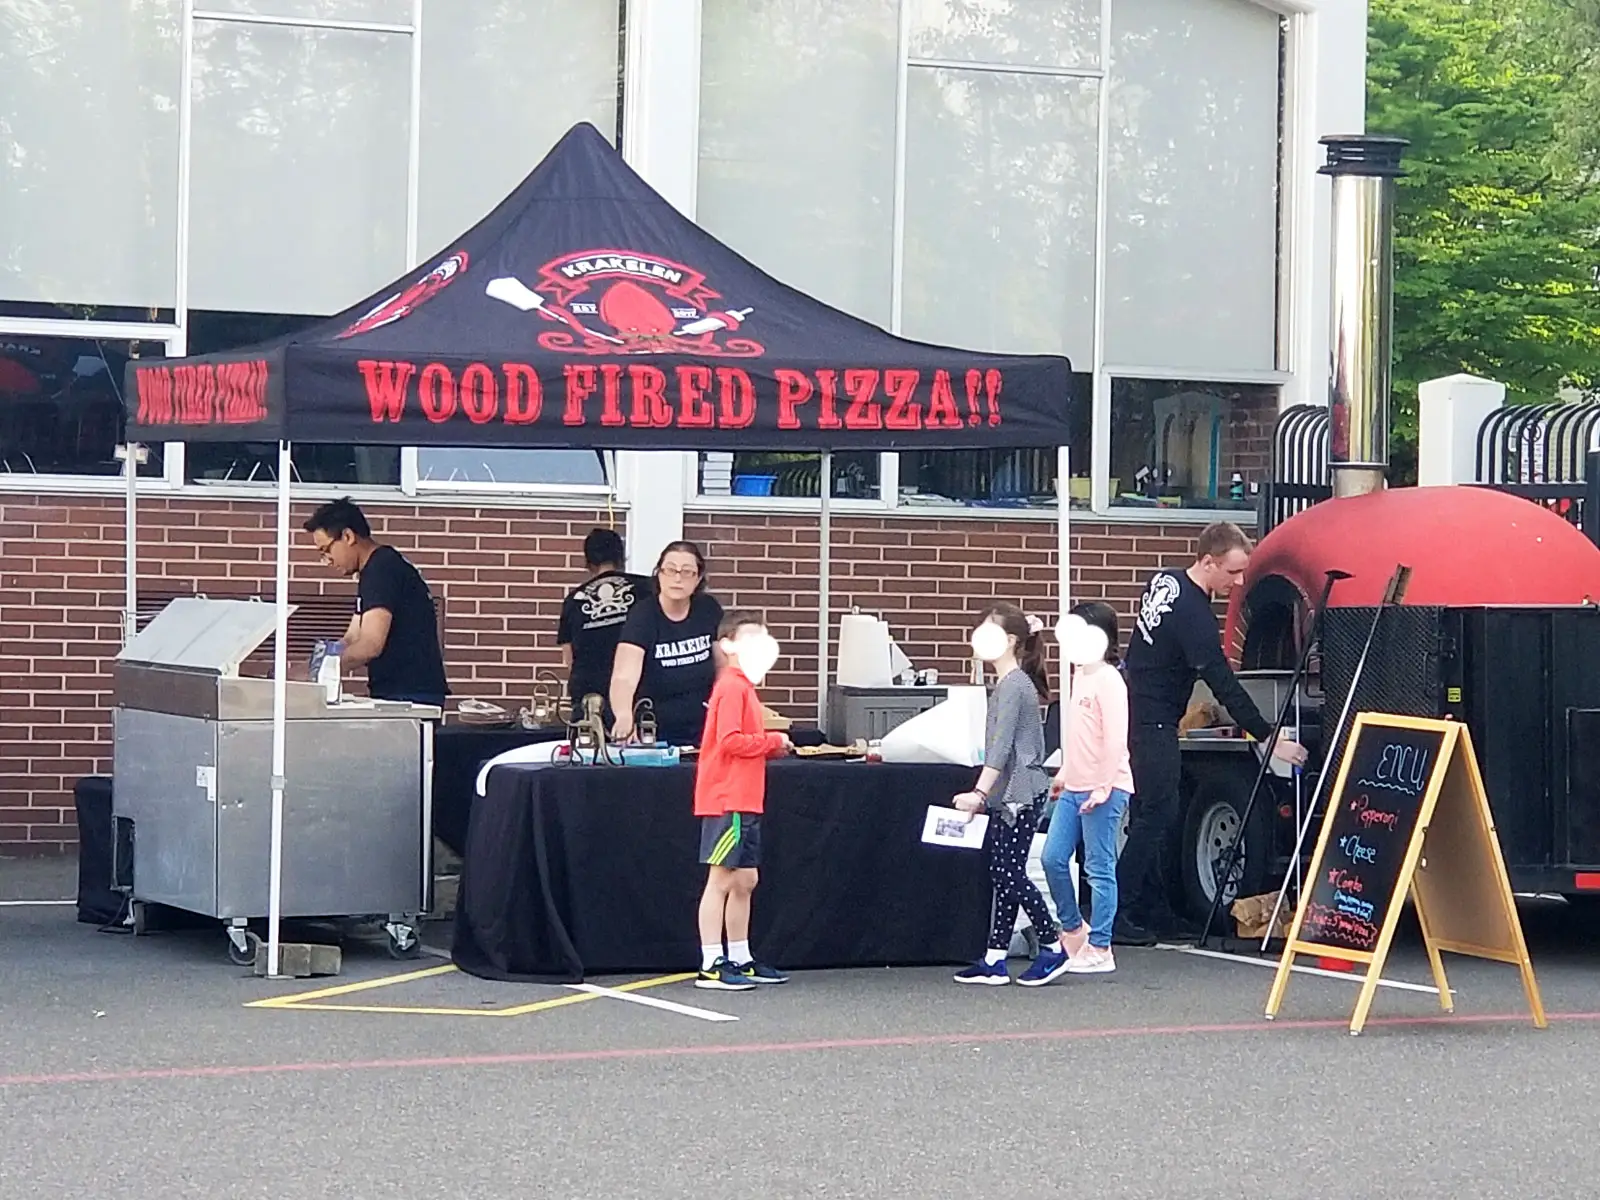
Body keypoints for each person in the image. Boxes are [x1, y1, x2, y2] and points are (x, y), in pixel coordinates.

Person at [1115, 521, 1307, 947]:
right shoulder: (1194, 614)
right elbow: (1221, 678)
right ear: (1207, 561)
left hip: (1137, 709)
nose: (1238, 582)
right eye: (1233, 572)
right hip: (1154, 718)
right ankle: (1121, 911)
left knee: (1151, 811)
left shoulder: (1163, 580)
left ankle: (1151, 907)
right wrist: (1267, 734)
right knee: (1158, 814)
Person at [951, 602, 1072, 987]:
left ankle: (1052, 945)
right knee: (1005, 872)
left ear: (1009, 641)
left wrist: (978, 793)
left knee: (1007, 872)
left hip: (1018, 792)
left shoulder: (1013, 686)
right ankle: (995, 956)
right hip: (1016, 791)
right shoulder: (1014, 684)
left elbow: (1001, 749)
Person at [692, 611, 793, 990]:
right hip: (728, 797)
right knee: (720, 878)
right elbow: (731, 740)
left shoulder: (743, 687)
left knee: (745, 879)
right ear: (728, 645)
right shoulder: (732, 688)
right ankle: (711, 962)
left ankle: (740, 955)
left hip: (744, 797)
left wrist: (771, 747)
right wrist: (773, 742)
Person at [1042, 602, 1135, 976]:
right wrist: (1066, 772)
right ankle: (1073, 928)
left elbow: (1115, 738)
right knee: (1052, 857)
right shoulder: (1080, 675)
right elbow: (1082, 735)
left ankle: (1101, 945)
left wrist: (1103, 785)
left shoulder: (1109, 679)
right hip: (1077, 784)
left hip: (1106, 786)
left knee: (1099, 867)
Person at [304, 497, 448, 706]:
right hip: (401, 692)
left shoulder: (381, 570)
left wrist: (318, 672)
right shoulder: (374, 569)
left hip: (410, 696)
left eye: (326, 550)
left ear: (347, 536)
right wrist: (311, 664)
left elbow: (370, 644)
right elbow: (353, 637)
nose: (326, 560)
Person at [609, 540, 724, 746]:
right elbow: (624, 676)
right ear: (659, 574)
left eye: (687, 571)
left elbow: (723, 667)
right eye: (670, 570)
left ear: (698, 579)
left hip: (703, 728)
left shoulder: (708, 610)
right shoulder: (643, 615)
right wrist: (624, 715)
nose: (677, 578)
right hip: (653, 730)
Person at [556, 528, 648, 722]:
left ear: (588, 562)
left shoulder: (574, 600)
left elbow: (569, 658)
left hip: (589, 693)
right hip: (638, 692)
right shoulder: (647, 588)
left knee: (588, 749)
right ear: (621, 556)